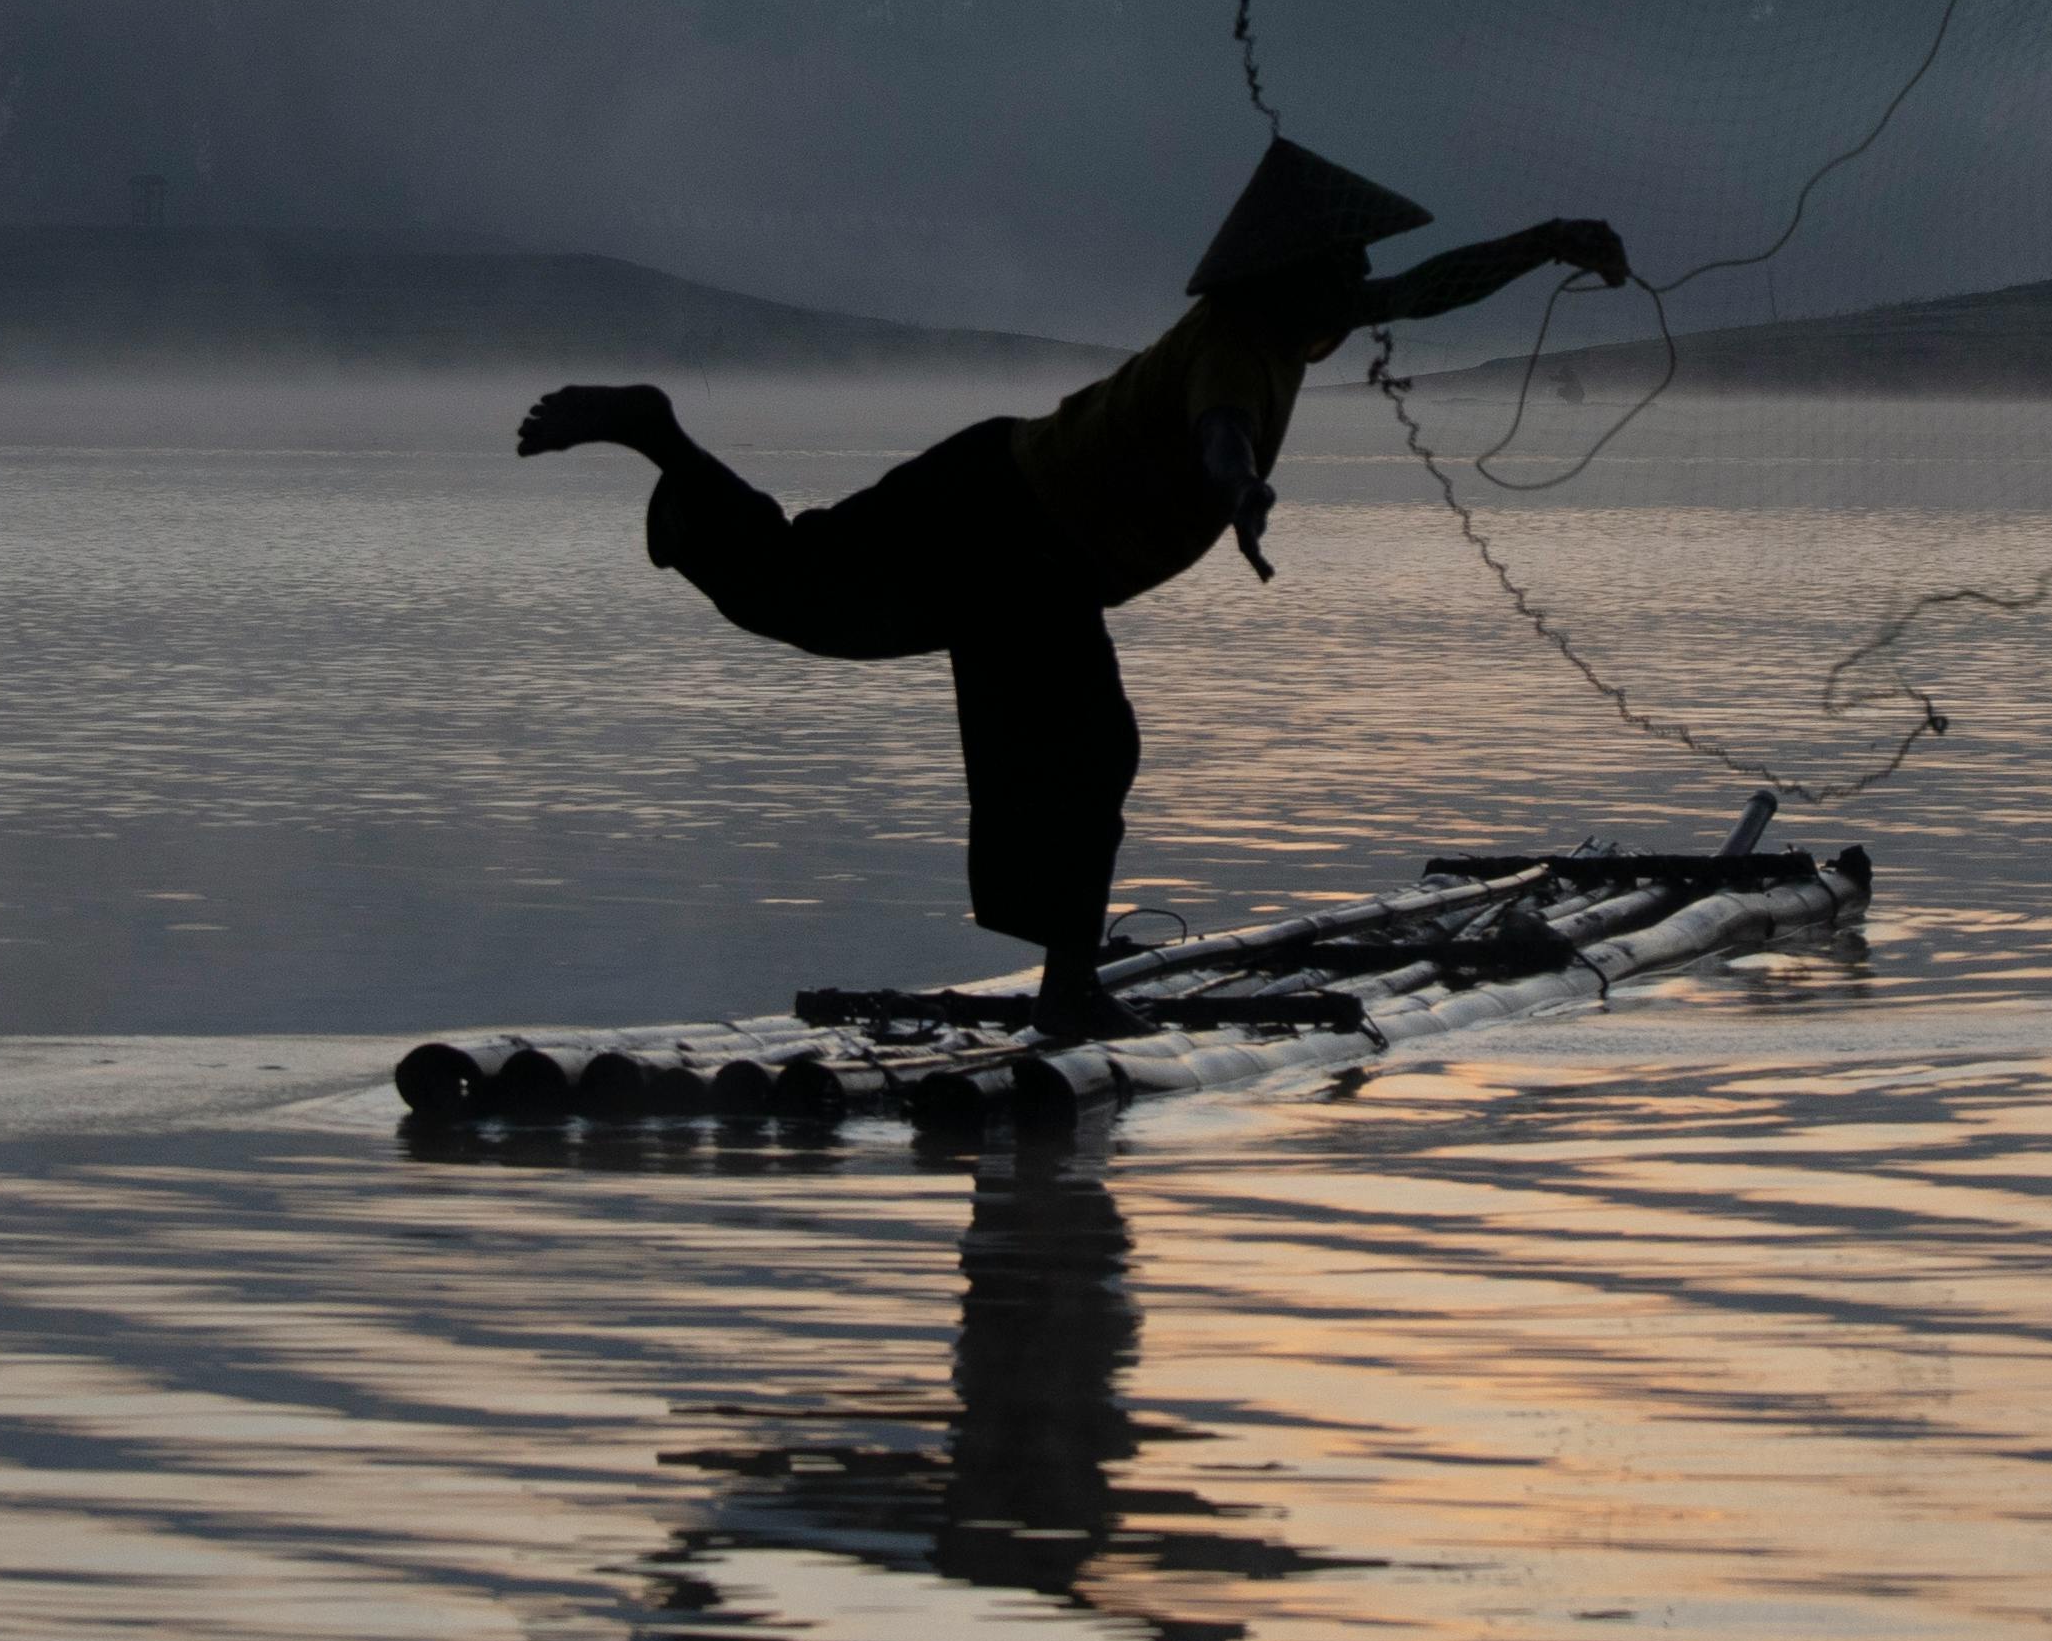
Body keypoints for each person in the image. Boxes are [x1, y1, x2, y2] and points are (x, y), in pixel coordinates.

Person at [518, 142, 1628, 1037]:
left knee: (820, 596)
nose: (1360, 279)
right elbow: (1222, 430)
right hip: (1013, 536)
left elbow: (1421, 291)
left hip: (1007, 508)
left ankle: (669, 455)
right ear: (1296, 270)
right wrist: (1241, 491)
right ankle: (1068, 991)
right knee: (1055, 730)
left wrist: (1543, 242)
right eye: (1345, 262)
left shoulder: (1294, 323)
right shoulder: (1240, 341)